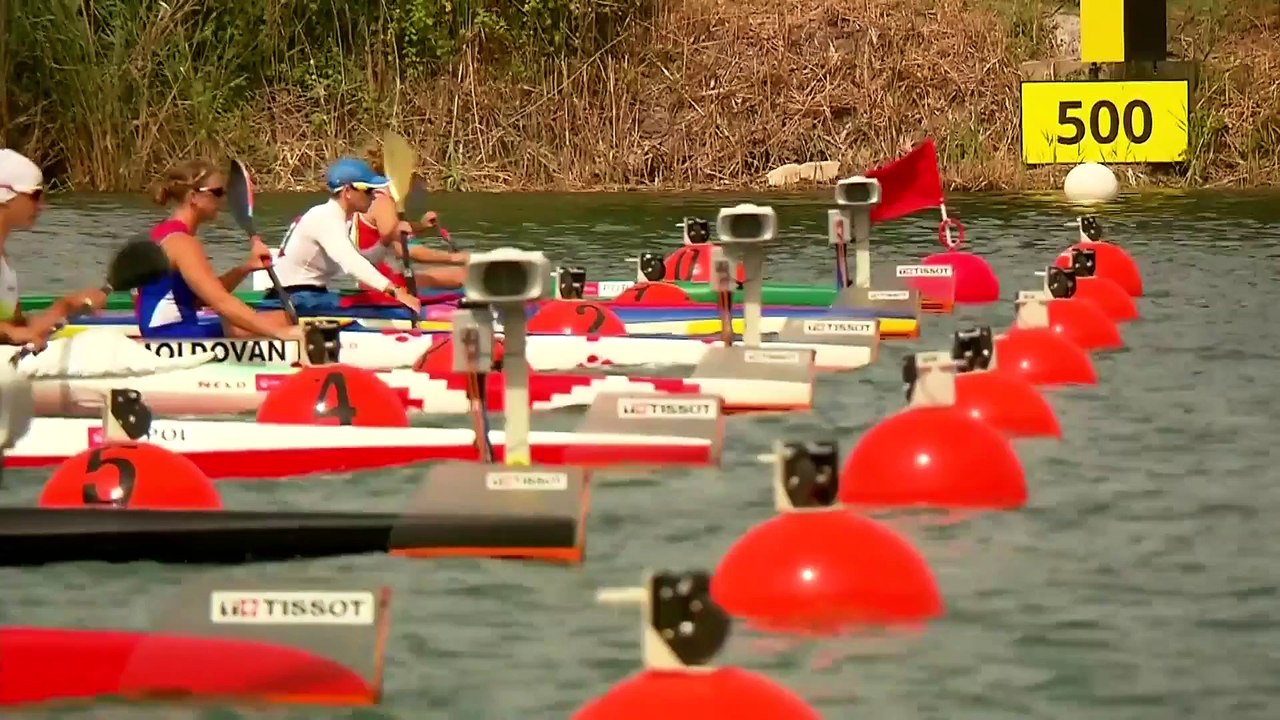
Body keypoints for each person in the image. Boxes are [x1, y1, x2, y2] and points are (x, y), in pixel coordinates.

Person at [137, 159, 297, 339]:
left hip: (165, 331)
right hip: (172, 336)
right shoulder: (182, 243)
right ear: (193, 197)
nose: (224, 200)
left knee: (279, 318)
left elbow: (202, 297)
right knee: (282, 321)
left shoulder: (161, 232)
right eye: (218, 193)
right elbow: (220, 302)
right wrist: (280, 333)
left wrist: (246, 267)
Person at [262, 158, 421, 314]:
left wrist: (388, 241)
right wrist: (395, 291)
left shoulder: (338, 219)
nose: (373, 196)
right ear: (347, 192)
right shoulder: (326, 218)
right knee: (377, 306)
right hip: (292, 298)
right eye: (368, 191)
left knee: (374, 300)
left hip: (307, 294)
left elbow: (361, 259)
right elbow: (351, 263)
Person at [0, 149, 113, 349]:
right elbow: (14, 331)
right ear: (5, 193)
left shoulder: (4, 261)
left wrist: (66, 305)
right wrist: (15, 333)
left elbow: (18, 327)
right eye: (35, 195)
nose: (42, 206)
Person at [354, 146, 468, 294]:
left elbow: (393, 232)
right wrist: (455, 258)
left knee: (451, 272)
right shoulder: (383, 203)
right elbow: (404, 250)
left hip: (380, 279)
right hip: (386, 283)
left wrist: (420, 226)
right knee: (466, 275)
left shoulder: (378, 198)